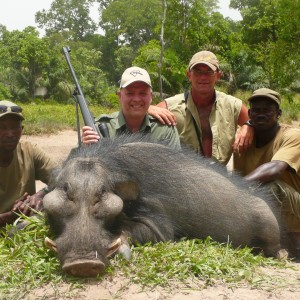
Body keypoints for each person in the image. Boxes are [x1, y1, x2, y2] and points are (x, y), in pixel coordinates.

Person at [148, 50, 254, 165]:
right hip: (184, 178)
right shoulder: (171, 106)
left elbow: (255, 120)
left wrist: (249, 126)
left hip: (220, 178)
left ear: (218, 75)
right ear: (189, 75)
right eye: (197, 72)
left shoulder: (232, 105)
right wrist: (147, 109)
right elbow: (138, 120)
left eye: (209, 72)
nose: (203, 77)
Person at [233, 88, 300, 256]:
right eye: (256, 110)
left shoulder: (292, 135)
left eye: (267, 110)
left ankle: (294, 244)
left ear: (278, 113)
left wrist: (232, 189)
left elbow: (274, 168)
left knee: (270, 186)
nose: (261, 114)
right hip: (268, 208)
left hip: (295, 206)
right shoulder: (243, 140)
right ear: (249, 113)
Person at [82, 66, 180, 149]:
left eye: (142, 93)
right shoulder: (100, 128)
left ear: (151, 97)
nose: (136, 99)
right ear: (120, 96)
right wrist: (85, 149)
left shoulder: (164, 129)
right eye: (130, 93)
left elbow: (174, 167)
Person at [0, 100, 56, 227]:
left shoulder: (29, 151)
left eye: (15, 127)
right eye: (2, 127)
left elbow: (63, 178)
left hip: (24, 230)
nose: (10, 134)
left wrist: (39, 196)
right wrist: (8, 217)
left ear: (22, 129)